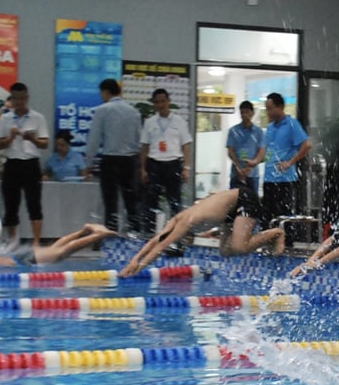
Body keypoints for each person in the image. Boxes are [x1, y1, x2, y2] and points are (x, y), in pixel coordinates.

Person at [119, 187, 285, 277]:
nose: (185, 243)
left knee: (239, 247)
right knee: (225, 251)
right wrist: (134, 259)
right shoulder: (178, 218)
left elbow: (162, 245)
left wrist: (139, 267)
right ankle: (264, 238)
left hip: (244, 199)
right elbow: (157, 239)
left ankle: (276, 233)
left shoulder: (185, 223)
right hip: (230, 210)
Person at [82, 78, 142, 234]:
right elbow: (139, 139)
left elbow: (94, 139)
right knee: (131, 202)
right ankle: (135, 235)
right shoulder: (133, 111)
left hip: (111, 160)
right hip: (130, 160)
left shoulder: (103, 110)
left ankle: (111, 236)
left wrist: (88, 163)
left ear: (105, 92)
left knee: (111, 203)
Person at [0, 82, 49, 247]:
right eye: (15, 99)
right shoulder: (5, 119)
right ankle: (13, 242)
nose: (19, 102)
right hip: (12, 164)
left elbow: (45, 143)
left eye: (22, 98)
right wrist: (11, 138)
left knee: (34, 203)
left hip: (31, 164)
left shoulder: (38, 118)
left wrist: (32, 139)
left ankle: (36, 242)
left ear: (27, 98)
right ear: (11, 99)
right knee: (11, 204)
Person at [139, 88, 192, 233]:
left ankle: (176, 233)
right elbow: (144, 147)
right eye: (157, 102)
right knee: (151, 201)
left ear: (168, 102)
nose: (160, 104)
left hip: (173, 164)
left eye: (163, 101)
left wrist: (186, 168)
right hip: (154, 164)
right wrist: (143, 169)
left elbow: (186, 145)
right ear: (154, 104)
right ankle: (149, 233)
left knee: (175, 201)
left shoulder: (178, 121)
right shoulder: (149, 122)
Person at [262, 92, 311, 242]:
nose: (268, 112)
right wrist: (254, 161)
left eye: (270, 108)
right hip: (269, 179)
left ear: (280, 107)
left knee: (283, 214)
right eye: (267, 109)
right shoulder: (270, 128)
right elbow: (267, 151)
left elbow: (307, 145)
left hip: (285, 180)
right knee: (268, 214)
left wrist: (290, 162)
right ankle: (269, 243)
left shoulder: (291, 124)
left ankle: (286, 245)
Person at [0, 224, 119, 267]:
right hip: (23, 256)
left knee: (61, 252)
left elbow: (6, 262)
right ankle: (84, 230)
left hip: (23, 259)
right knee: (56, 248)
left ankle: (98, 235)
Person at [226, 100, 266, 194]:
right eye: (242, 112)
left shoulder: (259, 132)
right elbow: (230, 151)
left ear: (252, 113)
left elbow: (262, 152)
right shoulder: (233, 131)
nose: (244, 115)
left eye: (247, 112)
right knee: (234, 204)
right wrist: (239, 168)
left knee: (253, 204)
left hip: (253, 175)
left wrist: (250, 167)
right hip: (236, 174)